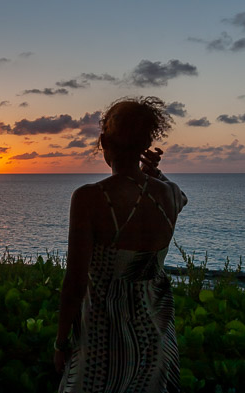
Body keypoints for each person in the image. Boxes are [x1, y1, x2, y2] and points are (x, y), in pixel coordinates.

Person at [54, 96, 188, 392]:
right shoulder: (169, 194)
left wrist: (61, 342)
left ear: (103, 140)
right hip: (156, 339)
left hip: (102, 342)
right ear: (145, 145)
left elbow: (75, 282)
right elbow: (180, 197)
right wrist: (154, 174)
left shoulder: (90, 198)